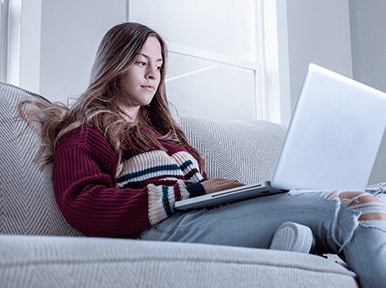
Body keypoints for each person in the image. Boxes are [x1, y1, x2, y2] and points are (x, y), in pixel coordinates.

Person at [19, 22, 386, 287]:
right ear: (114, 66)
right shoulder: (85, 131)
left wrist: (228, 194)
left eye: (159, 66)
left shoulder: (167, 135)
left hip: (205, 218)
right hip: (163, 232)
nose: (153, 75)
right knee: (358, 208)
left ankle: (288, 250)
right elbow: (84, 204)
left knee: (379, 194)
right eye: (141, 62)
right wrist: (193, 191)